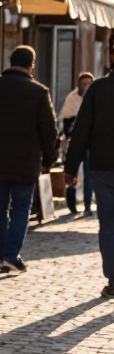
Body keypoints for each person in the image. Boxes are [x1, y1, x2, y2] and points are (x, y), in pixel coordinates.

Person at [0, 45, 58, 275]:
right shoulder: (39, 92)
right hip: (25, 162)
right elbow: (49, 131)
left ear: (11, 61)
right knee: (21, 208)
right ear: (31, 65)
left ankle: (5, 254)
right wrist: (49, 160)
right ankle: (10, 254)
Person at [64, 64, 114, 298]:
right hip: (103, 168)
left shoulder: (98, 89)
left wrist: (71, 168)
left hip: (104, 167)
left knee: (108, 224)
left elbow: (82, 129)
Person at [60, 71, 94, 216]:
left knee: (89, 174)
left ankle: (87, 204)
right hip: (74, 142)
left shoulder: (96, 97)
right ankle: (72, 204)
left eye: (89, 83)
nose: (86, 86)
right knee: (71, 171)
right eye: (84, 83)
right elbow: (66, 120)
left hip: (91, 143)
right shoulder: (72, 98)